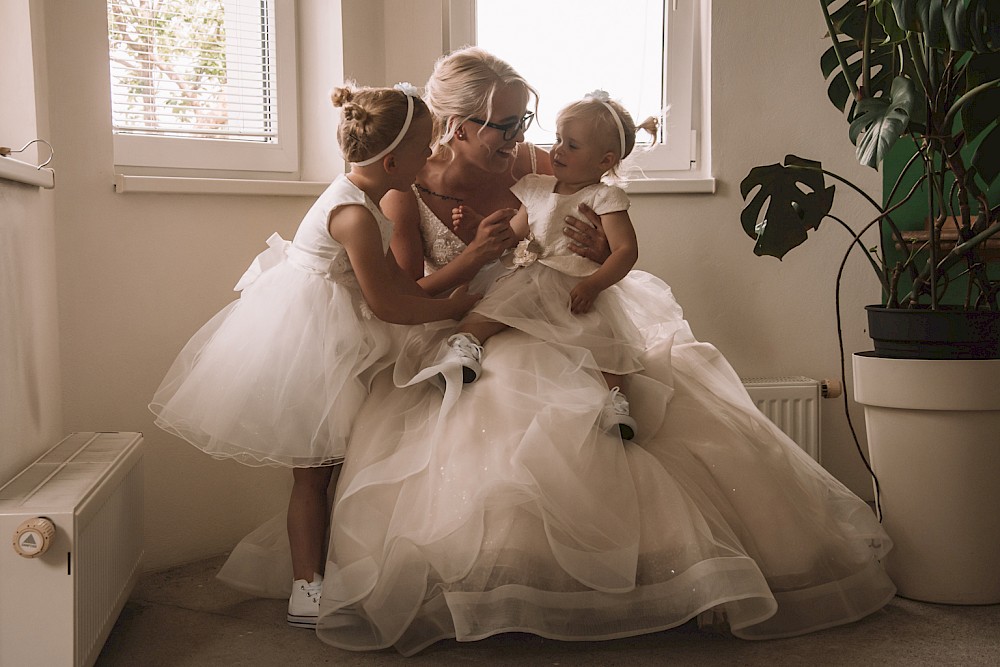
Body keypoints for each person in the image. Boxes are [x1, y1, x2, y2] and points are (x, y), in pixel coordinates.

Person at [219, 47, 896, 655]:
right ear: (453, 128)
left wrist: (599, 254)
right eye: (506, 125)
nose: (524, 139)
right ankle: (497, 584)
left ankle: (636, 580)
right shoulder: (402, 195)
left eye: (525, 121)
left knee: (604, 408)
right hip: (459, 319)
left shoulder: (537, 162)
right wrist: (478, 258)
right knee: (491, 407)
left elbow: (594, 217)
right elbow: (407, 291)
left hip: (553, 310)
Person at [148, 82, 480, 629]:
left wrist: (451, 298)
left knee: (346, 463)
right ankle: (306, 585)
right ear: (394, 160)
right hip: (314, 346)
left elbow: (403, 288)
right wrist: (455, 312)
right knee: (312, 475)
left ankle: (344, 564)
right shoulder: (351, 214)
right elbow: (389, 307)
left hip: (344, 336)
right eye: (426, 147)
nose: (433, 156)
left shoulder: (368, 202)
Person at [438, 91, 659, 439]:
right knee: (489, 311)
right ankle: (465, 352)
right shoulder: (537, 188)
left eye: (571, 145)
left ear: (605, 160)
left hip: (577, 285)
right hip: (530, 278)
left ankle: (615, 402)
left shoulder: (605, 198)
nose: (557, 150)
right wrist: (477, 226)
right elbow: (512, 236)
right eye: (558, 140)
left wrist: (594, 284)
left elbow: (625, 251)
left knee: (604, 342)